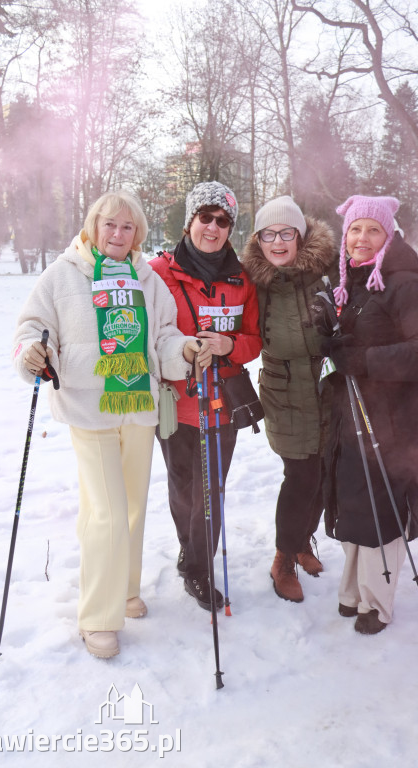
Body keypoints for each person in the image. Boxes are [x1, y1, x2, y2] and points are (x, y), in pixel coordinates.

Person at [12, 190, 211, 658]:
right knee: (107, 511)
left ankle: (124, 588)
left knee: (132, 508)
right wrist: (32, 353)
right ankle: (98, 615)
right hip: (89, 407)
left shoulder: (146, 279)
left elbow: (163, 336)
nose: (117, 235)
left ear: (137, 233)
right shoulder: (63, 275)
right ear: (93, 226)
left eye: (127, 227)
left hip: (137, 404)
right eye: (109, 225)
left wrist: (181, 351)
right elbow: (29, 328)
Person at [320, 195, 418, 634]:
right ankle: (354, 591)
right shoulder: (354, 281)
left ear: (389, 236)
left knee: (383, 505)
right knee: (355, 501)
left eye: (372, 230)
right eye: (355, 229)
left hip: (392, 424)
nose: (361, 238)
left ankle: (378, 602)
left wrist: (367, 360)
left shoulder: (405, 284)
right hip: (354, 415)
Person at [150, 181, 262, 610]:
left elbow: (255, 339)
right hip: (174, 401)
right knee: (181, 487)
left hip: (221, 403)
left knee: (210, 490)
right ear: (189, 222)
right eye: (205, 218)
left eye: (222, 221)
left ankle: (199, 568)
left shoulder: (242, 279)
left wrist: (229, 346)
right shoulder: (158, 272)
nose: (213, 228)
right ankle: (189, 550)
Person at [242, 196, 338, 603]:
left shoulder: (330, 271)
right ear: (259, 240)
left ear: (300, 235)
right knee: (300, 476)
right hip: (283, 391)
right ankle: (284, 556)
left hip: (327, 386)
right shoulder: (252, 282)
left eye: (287, 233)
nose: (278, 242)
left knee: (323, 472)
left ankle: (302, 541)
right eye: (269, 234)